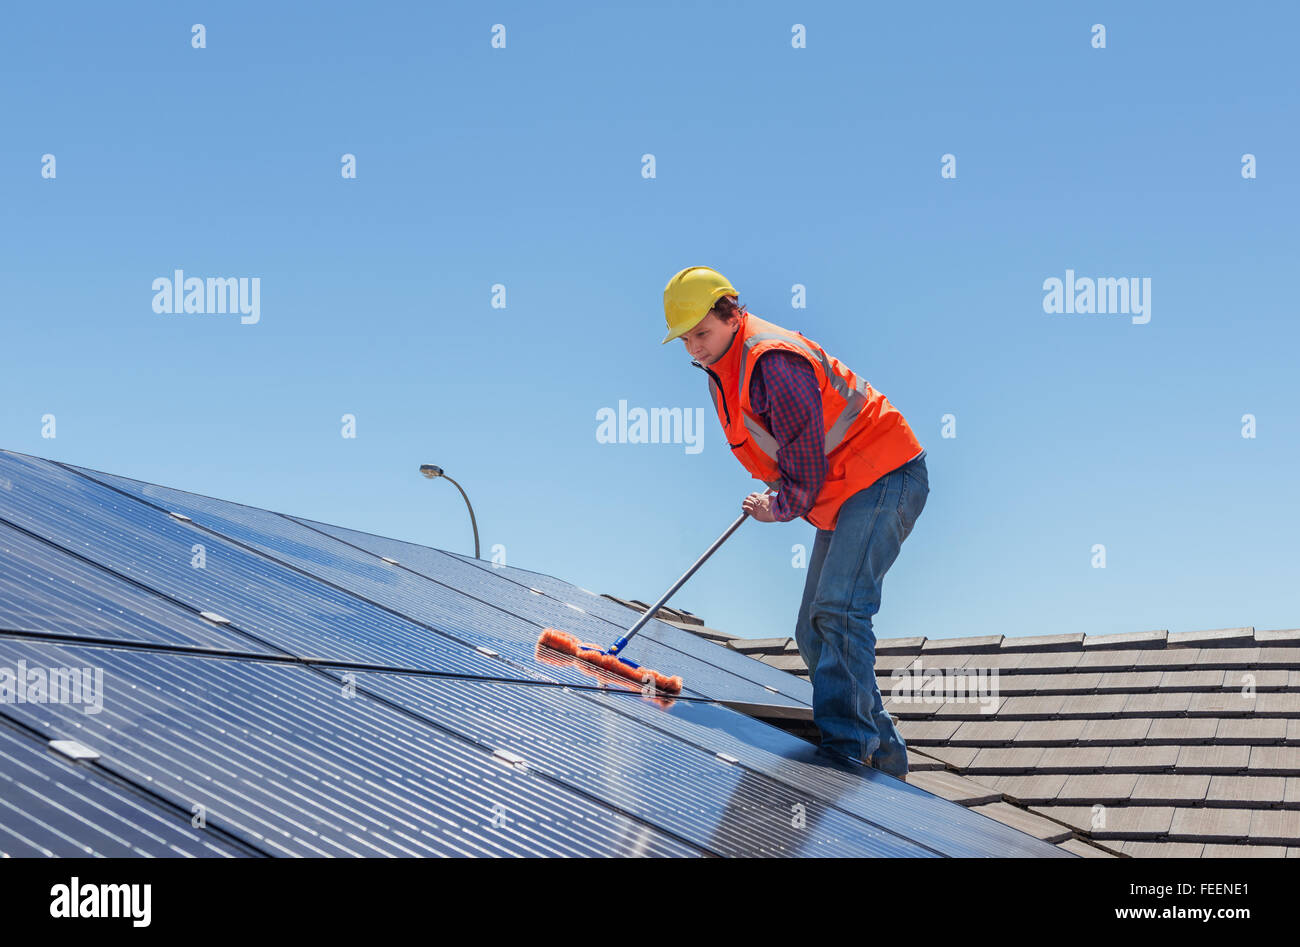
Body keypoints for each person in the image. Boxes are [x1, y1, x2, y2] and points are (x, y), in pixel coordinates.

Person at [662, 265, 929, 778]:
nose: (695, 346)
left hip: (883, 475)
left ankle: (848, 753)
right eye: (686, 338)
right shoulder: (728, 364)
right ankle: (886, 755)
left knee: (839, 611)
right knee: (812, 630)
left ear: (732, 314)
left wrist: (778, 507)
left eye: (703, 332)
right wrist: (782, 488)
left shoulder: (772, 363)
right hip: (847, 488)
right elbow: (792, 449)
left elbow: (805, 472)